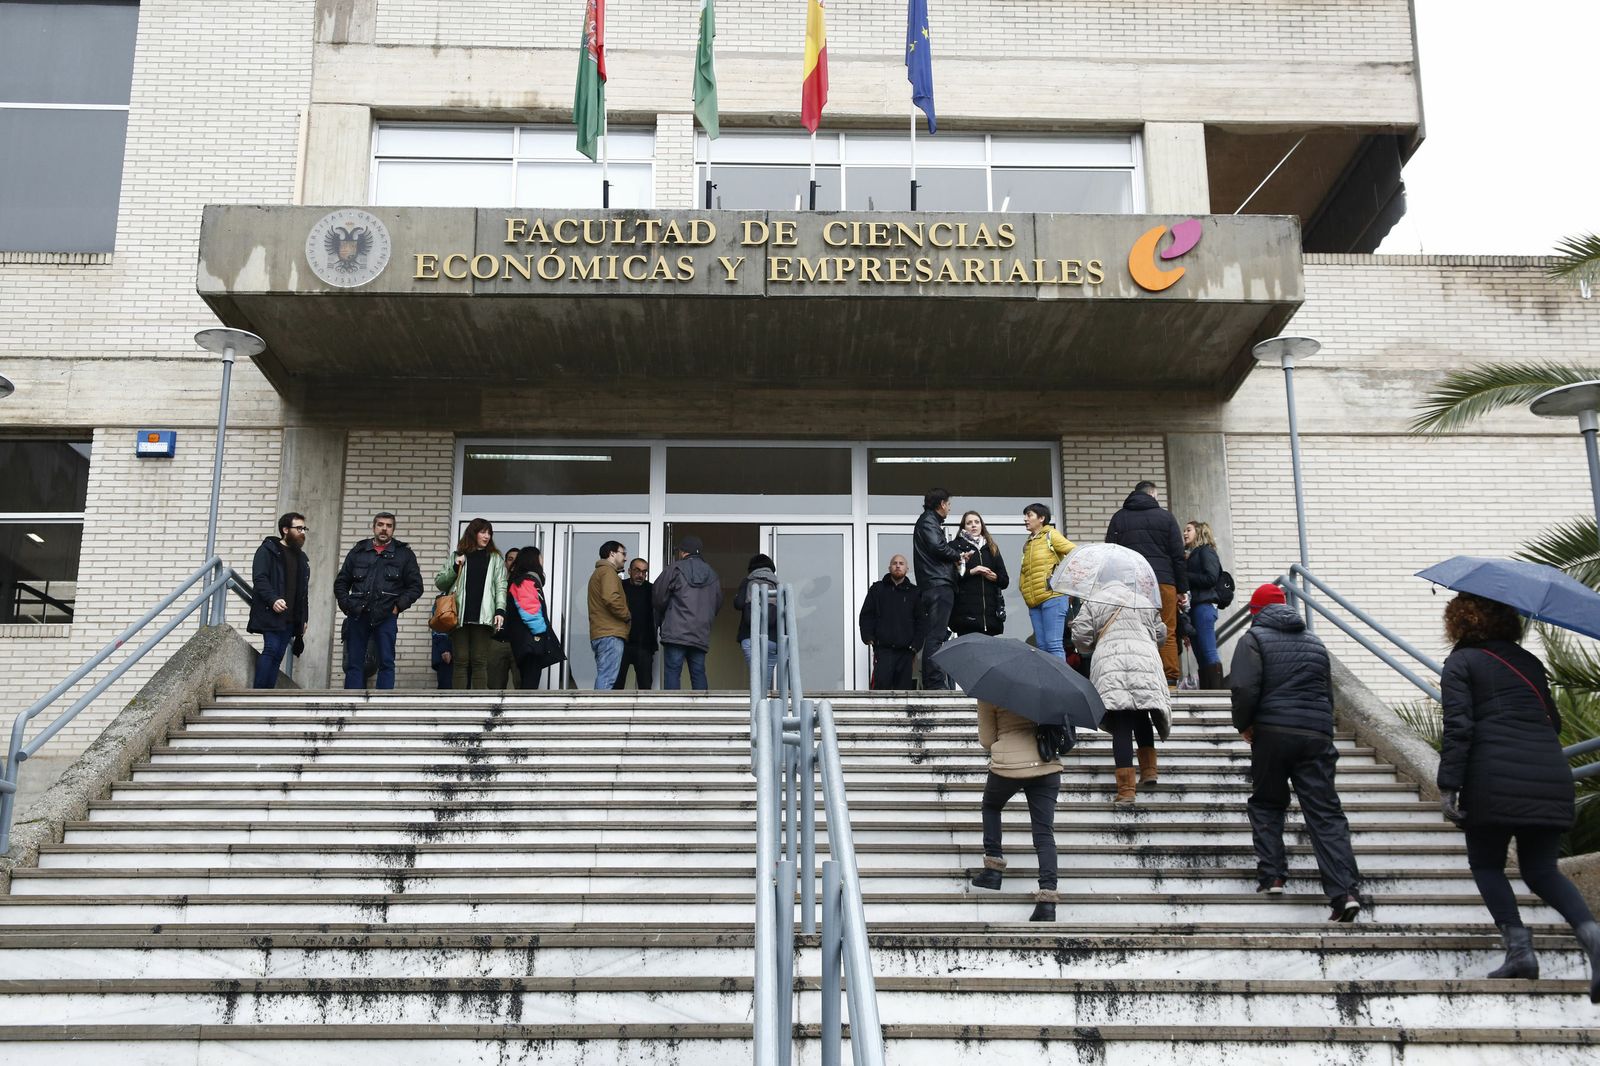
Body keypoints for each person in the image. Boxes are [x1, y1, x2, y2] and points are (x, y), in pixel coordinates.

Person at [1436, 592, 1600, 998]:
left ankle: (1520, 950)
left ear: (1458, 623)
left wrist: (1448, 785)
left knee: (1488, 865)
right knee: (1542, 870)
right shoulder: (1528, 663)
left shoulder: (1461, 662)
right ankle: (1593, 935)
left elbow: (1460, 727)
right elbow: (1554, 721)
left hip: (1492, 780)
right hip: (1548, 776)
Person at [1230, 583, 1362, 922]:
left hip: (1273, 732)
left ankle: (1272, 875)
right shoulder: (1315, 643)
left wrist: (1244, 724)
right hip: (1315, 735)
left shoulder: (1253, 639)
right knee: (1326, 813)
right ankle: (1344, 892)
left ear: (1255, 612)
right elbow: (1327, 694)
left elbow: (1244, 687)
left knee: (1267, 802)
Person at [1071, 587, 1169, 802]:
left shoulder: (1094, 600)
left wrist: (1093, 642)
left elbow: (1080, 636)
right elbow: (1161, 634)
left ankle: (1126, 790)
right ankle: (1149, 771)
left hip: (1110, 659)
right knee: (1142, 713)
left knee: (1122, 721)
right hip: (1144, 658)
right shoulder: (1143, 599)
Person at [967, 699, 1061, 922]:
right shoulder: (1045, 687)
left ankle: (993, 869)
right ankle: (1047, 900)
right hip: (1046, 763)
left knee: (991, 806)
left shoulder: (989, 691)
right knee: (1044, 834)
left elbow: (987, 739)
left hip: (1009, 764)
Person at [1106, 481, 1188, 686]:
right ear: (1152, 495)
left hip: (1131, 584)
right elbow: (1177, 555)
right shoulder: (1166, 517)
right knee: (1167, 629)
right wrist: (1182, 588)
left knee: (1135, 630)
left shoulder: (1119, 517)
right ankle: (1169, 680)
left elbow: (1111, 554)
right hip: (1163, 581)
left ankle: (1139, 678)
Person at [333, 511, 423, 690]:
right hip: (358, 614)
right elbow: (341, 582)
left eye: (389, 526)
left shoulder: (404, 554)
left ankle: (383, 706)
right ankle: (351, 705)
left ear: (393, 530)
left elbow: (416, 587)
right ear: (374, 527)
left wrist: (398, 606)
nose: (384, 529)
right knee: (354, 663)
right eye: (381, 524)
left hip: (387, 615)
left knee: (386, 662)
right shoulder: (358, 551)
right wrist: (346, 605)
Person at [434, 518, 507, 690]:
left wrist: (500, 610)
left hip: (484, 616)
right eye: (483, 532)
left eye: (489, 533)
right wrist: (455, 565)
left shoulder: (495, 558)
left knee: (480, 661)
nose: (487, 536)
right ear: (473, 533)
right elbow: (440, 583)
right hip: (459, 615)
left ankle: (480, 703)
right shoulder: (457, 556)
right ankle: (459, 703)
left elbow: (501, 586)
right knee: (460, 660)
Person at [913, 488, 971, 689]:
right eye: (948, 504)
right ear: (941, 504)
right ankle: (935, 683)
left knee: (935, 634)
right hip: (937, 585)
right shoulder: (928, 521)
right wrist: (958, 555)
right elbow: (937, 547)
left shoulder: (929, 521)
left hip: (933, 584)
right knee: (936, 636)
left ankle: (934, 681)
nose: (949, 508)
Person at [248, 512, 309, 689]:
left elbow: (303, 591)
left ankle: (267, 693)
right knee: (271, 650)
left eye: (304, 528)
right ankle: (258, 694)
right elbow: (260, 578)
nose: (302, 532)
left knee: (279, 654)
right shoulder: (268, 550)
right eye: (298, 528)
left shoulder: (301, 558)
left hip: (291, 616)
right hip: (272, 611)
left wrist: (304, 617)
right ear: (285, 530)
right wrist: (273, 599)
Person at [653, 535, 723, 690]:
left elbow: (658, 596)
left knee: (673, 671)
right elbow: (717, 603)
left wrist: (665, 613)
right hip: (700, 633)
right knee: (698, 672)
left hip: (676, 632)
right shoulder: (712, 574)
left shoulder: (675, 569)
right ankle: (703, 710)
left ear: (683, 552)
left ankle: (672, 710)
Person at [1018, 503, 1075, 659]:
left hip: (1053, 597)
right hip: (1034, 601)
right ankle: (1049, 683)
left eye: (1029, 515)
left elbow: (1074, 552)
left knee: (1053, 644)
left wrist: (1065, 581)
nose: (1025, 519)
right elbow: (1025, 571)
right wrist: (1022, 588)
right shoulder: (1029, 543)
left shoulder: (1051, 535)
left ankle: (1060, 683)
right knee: (1042, 647)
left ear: (1041, 518)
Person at [859, 554, 918, 690]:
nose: (898, 565)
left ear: (907, 568)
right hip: (883, 649)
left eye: (901, 563)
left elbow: (921, 621)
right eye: (895, 563)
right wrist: (868, 636)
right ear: (889, 567)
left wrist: (916, 645)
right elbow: (866, 615)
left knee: (904, 693)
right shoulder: (877, 589)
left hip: (906, 651)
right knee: (880, 688)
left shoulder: (914, 592)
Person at [951, 510, 1010, 637]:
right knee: (967, 655)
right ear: (963, 527)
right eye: (969, 523)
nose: (973, 525)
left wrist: (995, 578)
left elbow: (1005, 580)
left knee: (987, 655)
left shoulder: (991, 547)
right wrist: (973, 571)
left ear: (981, 526)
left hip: (990, 617)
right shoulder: (955, 546)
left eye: (977, 522)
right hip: (965, 615)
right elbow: (950, 578)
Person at [503, 545, 552, 690]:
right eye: (540, 557)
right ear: (534, 560)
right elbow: (530, 610)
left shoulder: (523, 579)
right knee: (530, 683)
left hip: (525, 642)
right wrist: (542, 633)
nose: (542, 560)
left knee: (528, 681)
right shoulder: (526, 580)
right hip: (530, 642)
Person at [1184, 519, 1225, 690]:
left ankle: (1216, 693)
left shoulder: (1206, 552)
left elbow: (1211, 578)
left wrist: (1186, 575)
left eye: (1188, 530)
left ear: (1199, 532)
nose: (1184, 533)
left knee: (1207, 651)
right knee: (1200, 654)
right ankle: (1208, 691)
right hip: (1195, 608)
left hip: (1204, 606)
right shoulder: (1193, 554)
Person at [587, 540, 631, 690]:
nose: (625, 558)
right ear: (612, 553)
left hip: (602, 633)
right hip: (610, 633)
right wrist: (626, 615)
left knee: (605, 675)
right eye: (623, 553)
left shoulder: (600, 572)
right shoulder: (608, 572)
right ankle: (599, 712)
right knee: (607, 679)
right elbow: (611, 598)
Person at [734, 554, 780, 690]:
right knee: (765, 679)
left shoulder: (747, 582)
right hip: (773, 638)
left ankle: (757, 708)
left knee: (755, 676)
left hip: (749, 637)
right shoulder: (778, 584)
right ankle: (763, 706)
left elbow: (738, 604)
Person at [615, 557, 658, 690]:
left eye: (644, 572)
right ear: (629, 571)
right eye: (637, 570)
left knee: (645, 687)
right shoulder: (620, 587)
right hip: (622, 643)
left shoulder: (652, 589)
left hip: (644, 645)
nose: (640, 575)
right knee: (617, 686)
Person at [487, 547, 521, 689]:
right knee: (494, 686)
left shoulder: (524, 584)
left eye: (517, 560)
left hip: (518, 642)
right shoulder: (495, 585)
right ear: (505, 562)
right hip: (496, 640)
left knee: (522, 685)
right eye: (510, 559)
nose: (513, 563)